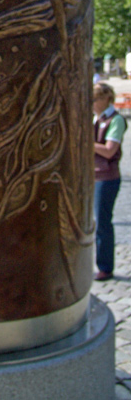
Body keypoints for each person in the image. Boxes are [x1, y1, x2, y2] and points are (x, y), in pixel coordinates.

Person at [93, 81, 127, 281]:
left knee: (102, 222)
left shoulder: (115, 120)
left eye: (96, 98)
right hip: (92, 175)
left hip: (106, 178)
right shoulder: (95, 118)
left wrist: (87, 143)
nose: (93, 102)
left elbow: (109, 150)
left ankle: (105, 266)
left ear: (107, 98)